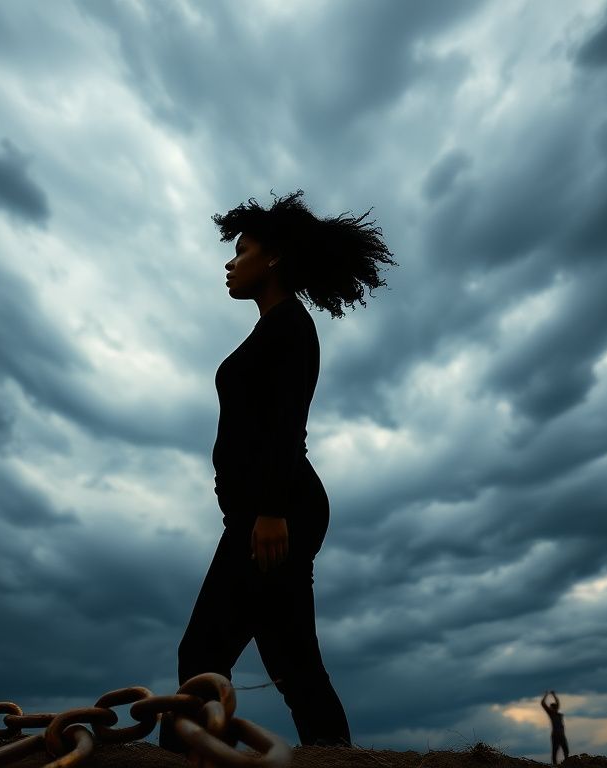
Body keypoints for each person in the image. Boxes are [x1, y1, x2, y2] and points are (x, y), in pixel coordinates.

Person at [159, 190, 396, 752]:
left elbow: (288, 423)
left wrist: (268, 510)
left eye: (241, 250)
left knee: (202, 653)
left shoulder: (291, 326)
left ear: (273, 259)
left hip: (277, 510)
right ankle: (334, 754)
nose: (229, 261)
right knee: (292, 659)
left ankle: (189, 758)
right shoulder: (274, 327)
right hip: (271, 507)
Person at [541, 690, 569, 765]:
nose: (553, 709)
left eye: (554, 707)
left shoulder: (558, 714)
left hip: (562, 735)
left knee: (566, 751)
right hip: (556, 735)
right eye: (552, 708)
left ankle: (567, 764)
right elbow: (543, 704)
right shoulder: (551, 714)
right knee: (555, 752)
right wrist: (546, 695)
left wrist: (554, 695)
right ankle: (555, 766)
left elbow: (558, 703)